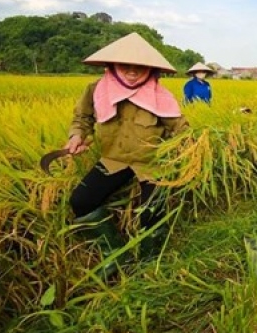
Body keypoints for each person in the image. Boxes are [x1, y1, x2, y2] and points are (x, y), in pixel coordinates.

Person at [64, 32, 189, 280]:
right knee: (81, 201)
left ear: (151, 70)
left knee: (152, 211)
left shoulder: (161, 97)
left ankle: (149, 263)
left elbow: (181, 130)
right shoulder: (97, 90)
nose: (132, 71)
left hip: (151, 163)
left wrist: (189, 149)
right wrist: (76, 136)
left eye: (139, 67)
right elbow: (82, 118)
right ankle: (114, 255)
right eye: (125, 65)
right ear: (113, 66)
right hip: (114, 159)